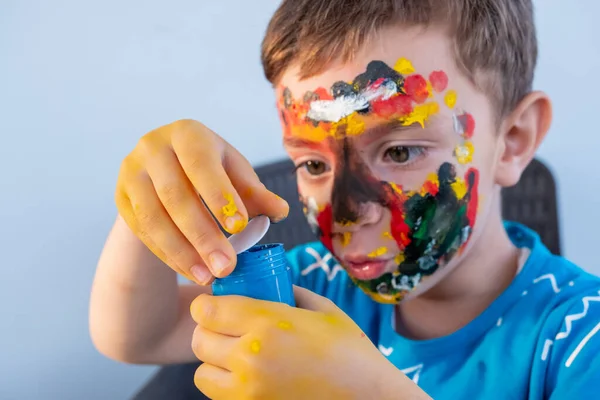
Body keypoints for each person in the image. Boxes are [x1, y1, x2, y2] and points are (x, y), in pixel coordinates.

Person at [89, 0, 600, 398]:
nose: (349, 213)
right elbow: (140, 336)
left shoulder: (581, 340)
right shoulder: (314, 286)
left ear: (513, 141)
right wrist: (150, 203)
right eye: (313, 164)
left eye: (400, 150)